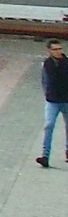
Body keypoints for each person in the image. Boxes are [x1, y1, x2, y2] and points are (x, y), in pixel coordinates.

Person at [42, 39, 68, 167]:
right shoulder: (47, 64)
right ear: (49, 51)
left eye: (60, 49)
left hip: (66, 100)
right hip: (52, 101)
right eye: (55, 49)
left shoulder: (66, 63)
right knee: (49, 125)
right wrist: (47, 93)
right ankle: (45, 155)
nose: (58, 51)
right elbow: (45, 81)